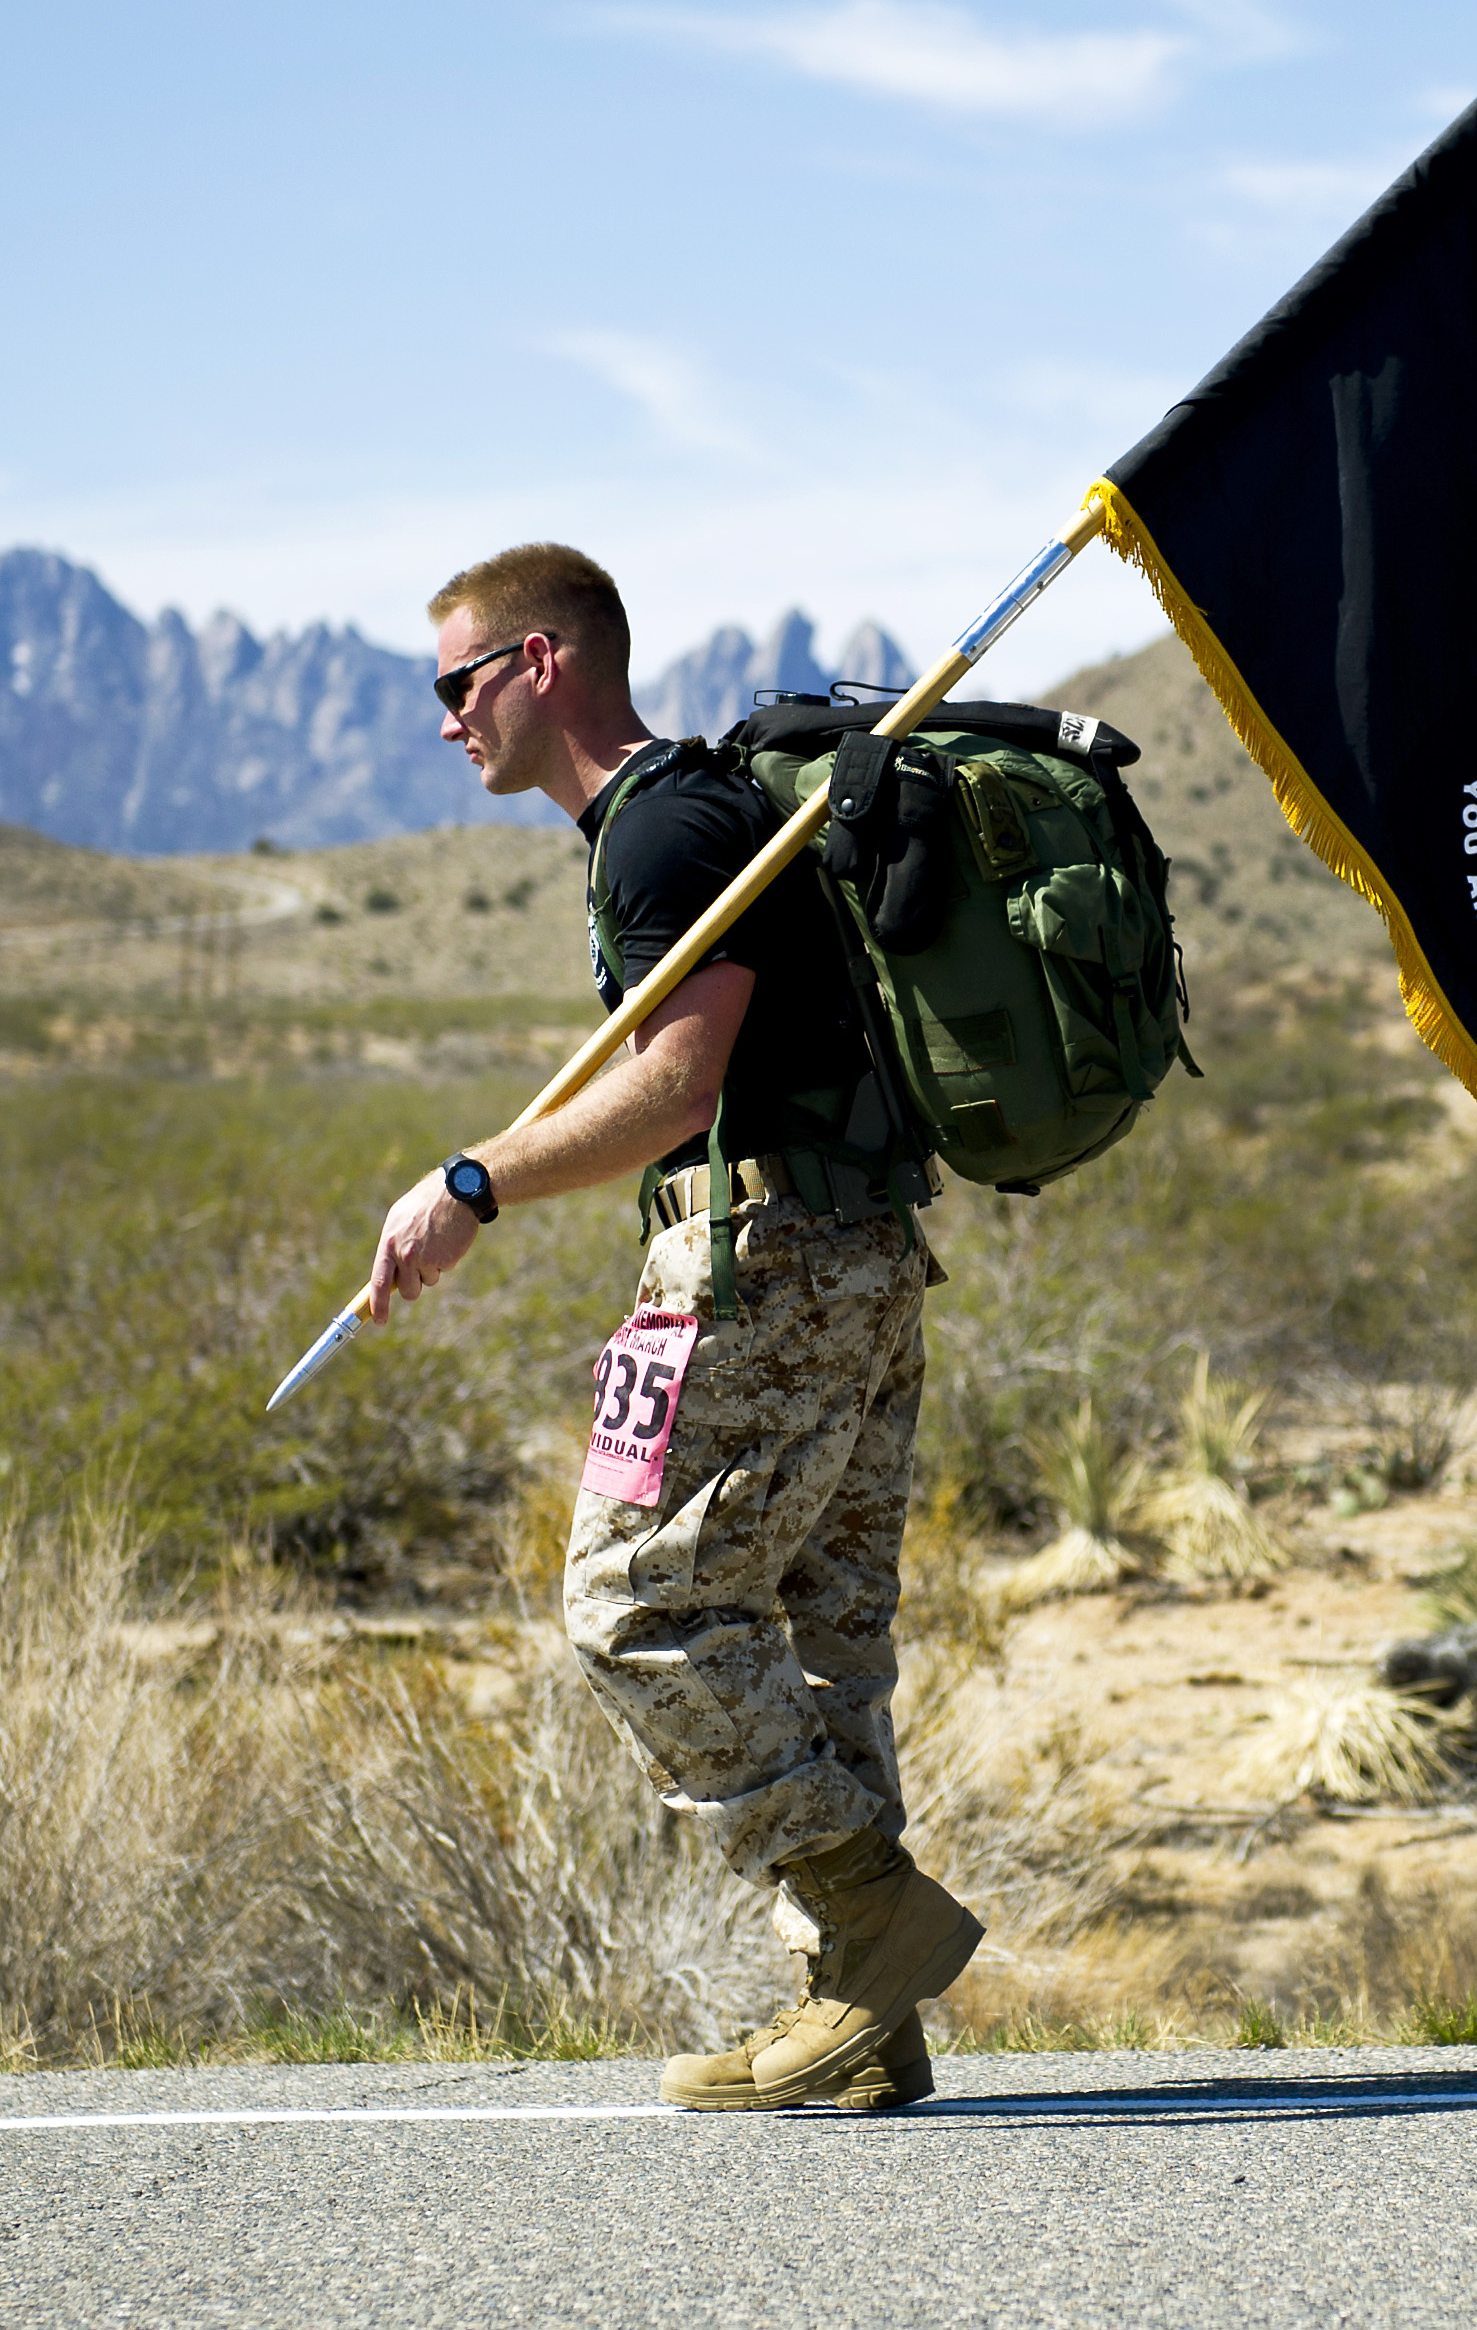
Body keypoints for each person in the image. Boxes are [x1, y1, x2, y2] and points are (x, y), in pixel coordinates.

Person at [362, 540, 982, 2112]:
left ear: (543, 663)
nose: (448, 720)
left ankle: (867, 1909)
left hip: (765, 1251)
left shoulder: (660, 832)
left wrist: (472, 1180)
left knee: (633, 1604)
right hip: (855, 1248)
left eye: (459, 683)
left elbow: (678, 1087)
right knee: (829, 1640)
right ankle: (860, 2027)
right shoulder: (701, 814)